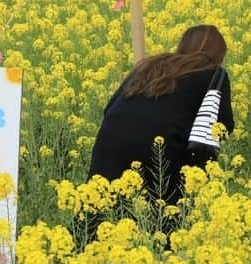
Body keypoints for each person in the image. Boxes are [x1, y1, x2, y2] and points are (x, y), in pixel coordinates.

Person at [89, 24, 234, 209]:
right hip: (158, 156)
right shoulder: (215, 75)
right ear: (219, 55)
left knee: (99, 212)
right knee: (163, 221)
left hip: (109, 149)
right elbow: (222, 126)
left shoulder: (149, 66)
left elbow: (109, 108)